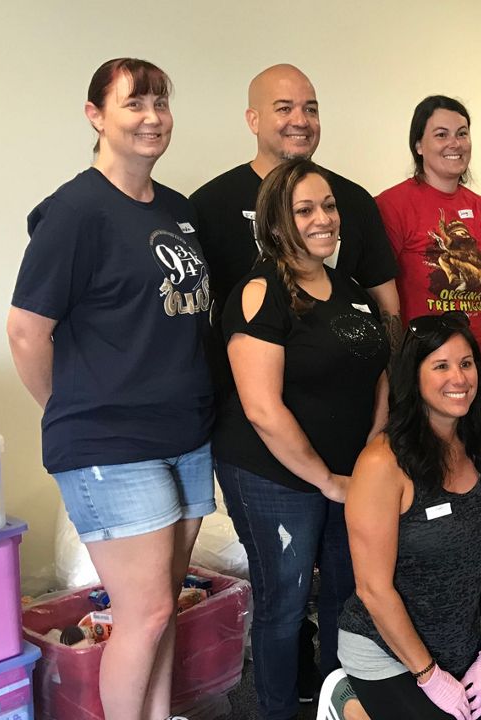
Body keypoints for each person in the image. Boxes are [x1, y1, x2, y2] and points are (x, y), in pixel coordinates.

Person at [7, 58, 213, 720]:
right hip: (111, 439)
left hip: (184, 431)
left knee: (163, 608)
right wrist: (68, 410)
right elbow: (24, 333)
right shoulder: (75, 212)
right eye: (134, 104)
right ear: (96, 115)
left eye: (161, 102)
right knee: (145, 610)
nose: (152, 117)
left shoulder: (178, 211)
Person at [190, 64, 400, 701]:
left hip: (347, 469)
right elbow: (261, 407)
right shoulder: (260, 291)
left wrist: (371, 449)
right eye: (304, 209)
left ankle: (337, 707)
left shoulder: (351, 291)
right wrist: (325, 479)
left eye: (328, 206)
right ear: (274, 221)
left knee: (344, 595)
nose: (323, 219)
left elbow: (382, 368)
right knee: (283, 607)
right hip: (277, 474)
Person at [338, 312, 481, 719]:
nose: (458, 379)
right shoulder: (382, 463)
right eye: (440, 366)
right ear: (415, 375)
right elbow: (373, 589)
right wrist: (428, 675)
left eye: (465, 363)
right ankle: (348, 703)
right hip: (388, 652)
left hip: (461, 644)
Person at [191, 64, 400, 345]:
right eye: (284, 109)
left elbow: (385, 301)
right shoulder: (210, 205)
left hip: (344, 377)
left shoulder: (354, 200)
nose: (301, 121)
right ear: (253, 120)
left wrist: (390, 370)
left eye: (311, 109)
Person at [376, 96, 481, 377]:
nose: (455, 143)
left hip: (477, 364)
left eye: (462, 134)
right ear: (419, 145)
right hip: (423, 368)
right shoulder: (392, 205)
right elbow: (379, 293)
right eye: (441, 135)